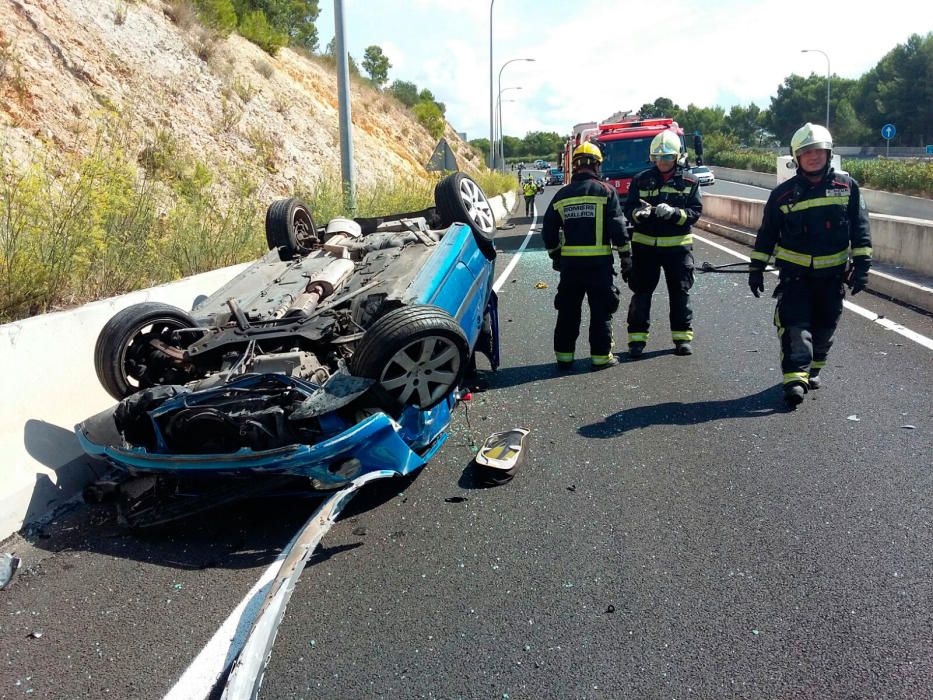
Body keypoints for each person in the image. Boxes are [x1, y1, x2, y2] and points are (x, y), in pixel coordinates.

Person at [748, 123, 872, 407]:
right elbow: (767, 234)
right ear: (797, 157)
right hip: (795, 278)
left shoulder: (847, 187)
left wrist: (862, 266)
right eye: (806, 152)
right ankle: (794, 379)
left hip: (832, 278)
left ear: (828, 153)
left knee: (825, 325)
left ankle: (813, 369)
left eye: (818, 150)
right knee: (794, 324)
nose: (813, 156)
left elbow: (861, 229)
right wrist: (756, 268)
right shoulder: (782, 194)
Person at [541, 142, 631, 371]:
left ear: (576, 166)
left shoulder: (562, 195)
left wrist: (556, 256)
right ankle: (601, 357)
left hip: (570, 268)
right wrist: (626, 258)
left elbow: (548, 230)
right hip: (599, 266)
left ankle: (564, 357)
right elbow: (618, 229)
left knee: (568, 312)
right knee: (601, 311)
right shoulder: (606, 192)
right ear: (596, 165)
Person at [623, 130, 702, 358]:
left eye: (666, 157)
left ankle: (682, 339)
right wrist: (639, 213)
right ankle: (636, 341)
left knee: (680, 293)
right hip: (645, 249)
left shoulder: (690, 181)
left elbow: (695, 213)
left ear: (676, 157)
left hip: (677, 249)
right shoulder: (640, 180)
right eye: (658, 157)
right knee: (641, 294)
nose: (662, 162)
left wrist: (674, 213)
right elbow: (628, 210)